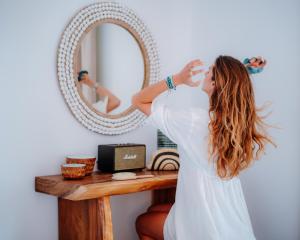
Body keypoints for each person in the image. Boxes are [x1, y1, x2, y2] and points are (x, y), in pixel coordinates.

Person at [132, 55, 276, 240]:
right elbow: (233, 85)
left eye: (210, 70)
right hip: (228, 217)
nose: (206, 72)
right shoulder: (237, 125)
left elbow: (138, 100)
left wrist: (177, 79)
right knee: (155, 209)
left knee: (142, 222)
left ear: (217, 83)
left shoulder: (195, 121)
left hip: (205, 224)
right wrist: (243, 68)